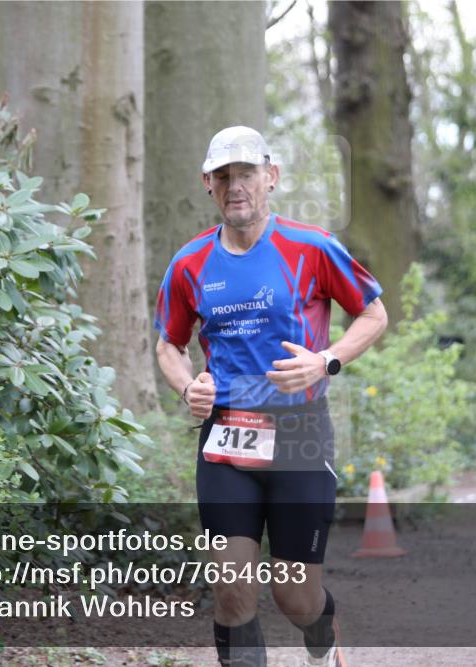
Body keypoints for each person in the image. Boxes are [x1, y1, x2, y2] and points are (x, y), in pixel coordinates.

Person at [154, 126, 387, 667]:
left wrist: (325, 360)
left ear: (271, 178)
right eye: (223, 176)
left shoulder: (312, 246)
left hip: (299, 436)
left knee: (295, 597)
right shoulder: (189, 264)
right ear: (207, 185)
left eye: (247, 174)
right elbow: (169, 343)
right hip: (226, 441)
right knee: (232, 592)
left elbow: (373, 314)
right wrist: (189, 385)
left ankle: (323, 642)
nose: (236, 186)